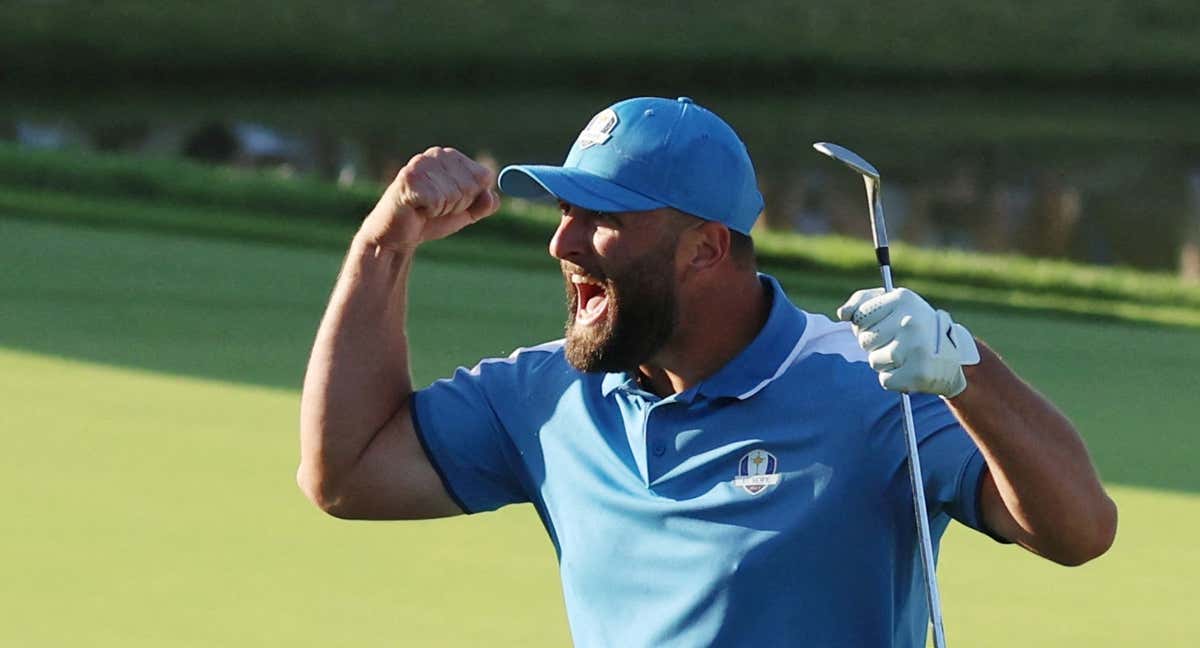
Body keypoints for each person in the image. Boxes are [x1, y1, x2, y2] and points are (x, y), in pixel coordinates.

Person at [298, 97, 1117, 647]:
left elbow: (1080, 532)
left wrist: (969, 370)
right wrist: (383, 245)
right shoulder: (546, 396)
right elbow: (348, 476)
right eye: (564, 212)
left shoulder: (869, 387)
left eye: (604, 219)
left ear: (706, 248)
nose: (563, 242)